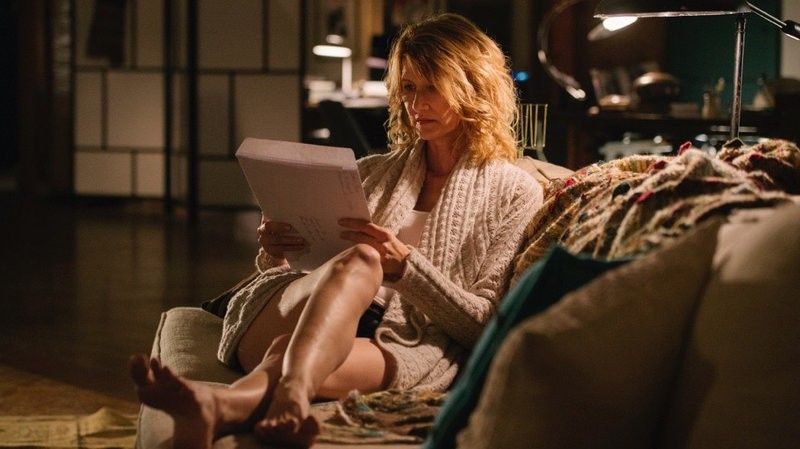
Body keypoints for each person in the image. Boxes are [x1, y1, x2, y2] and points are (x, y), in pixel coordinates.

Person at [130, 13, 543, 449]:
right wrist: (277, 251)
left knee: (291, 352)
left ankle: (218, 406)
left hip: (402, 342)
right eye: (408, 88)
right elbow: (294, 269)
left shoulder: (515, 192)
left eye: (432, 88)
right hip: (295, 305)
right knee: (362, 259)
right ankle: (294, 393)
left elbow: (487, 326)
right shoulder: (368, 172)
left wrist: (408, 271)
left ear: (474, 87)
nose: (416, 104)